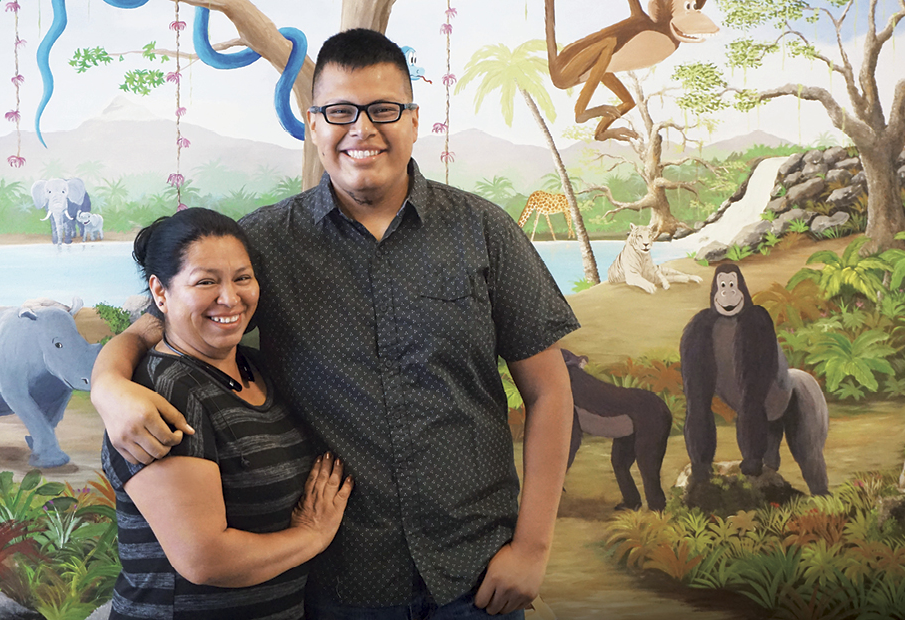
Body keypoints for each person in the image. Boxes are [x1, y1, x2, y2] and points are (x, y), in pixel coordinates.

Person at [91, 28, 579, 618]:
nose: (362, 129)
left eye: (384, 109)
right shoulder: (264, 243)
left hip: (475, 571)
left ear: (415, 120)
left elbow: (548, 390)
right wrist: (109, 387)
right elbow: (160, 325)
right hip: (338, 579)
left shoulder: (484, 231)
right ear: (314, 123)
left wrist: (532, 547)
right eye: (340, 111)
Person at [102, 207, 352, 619]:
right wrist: (312, 535)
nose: (230, 298)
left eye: (242, 277)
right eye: (206, 282)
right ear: (160, 293)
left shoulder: (260, 367)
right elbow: (204, 559)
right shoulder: (165, 391)